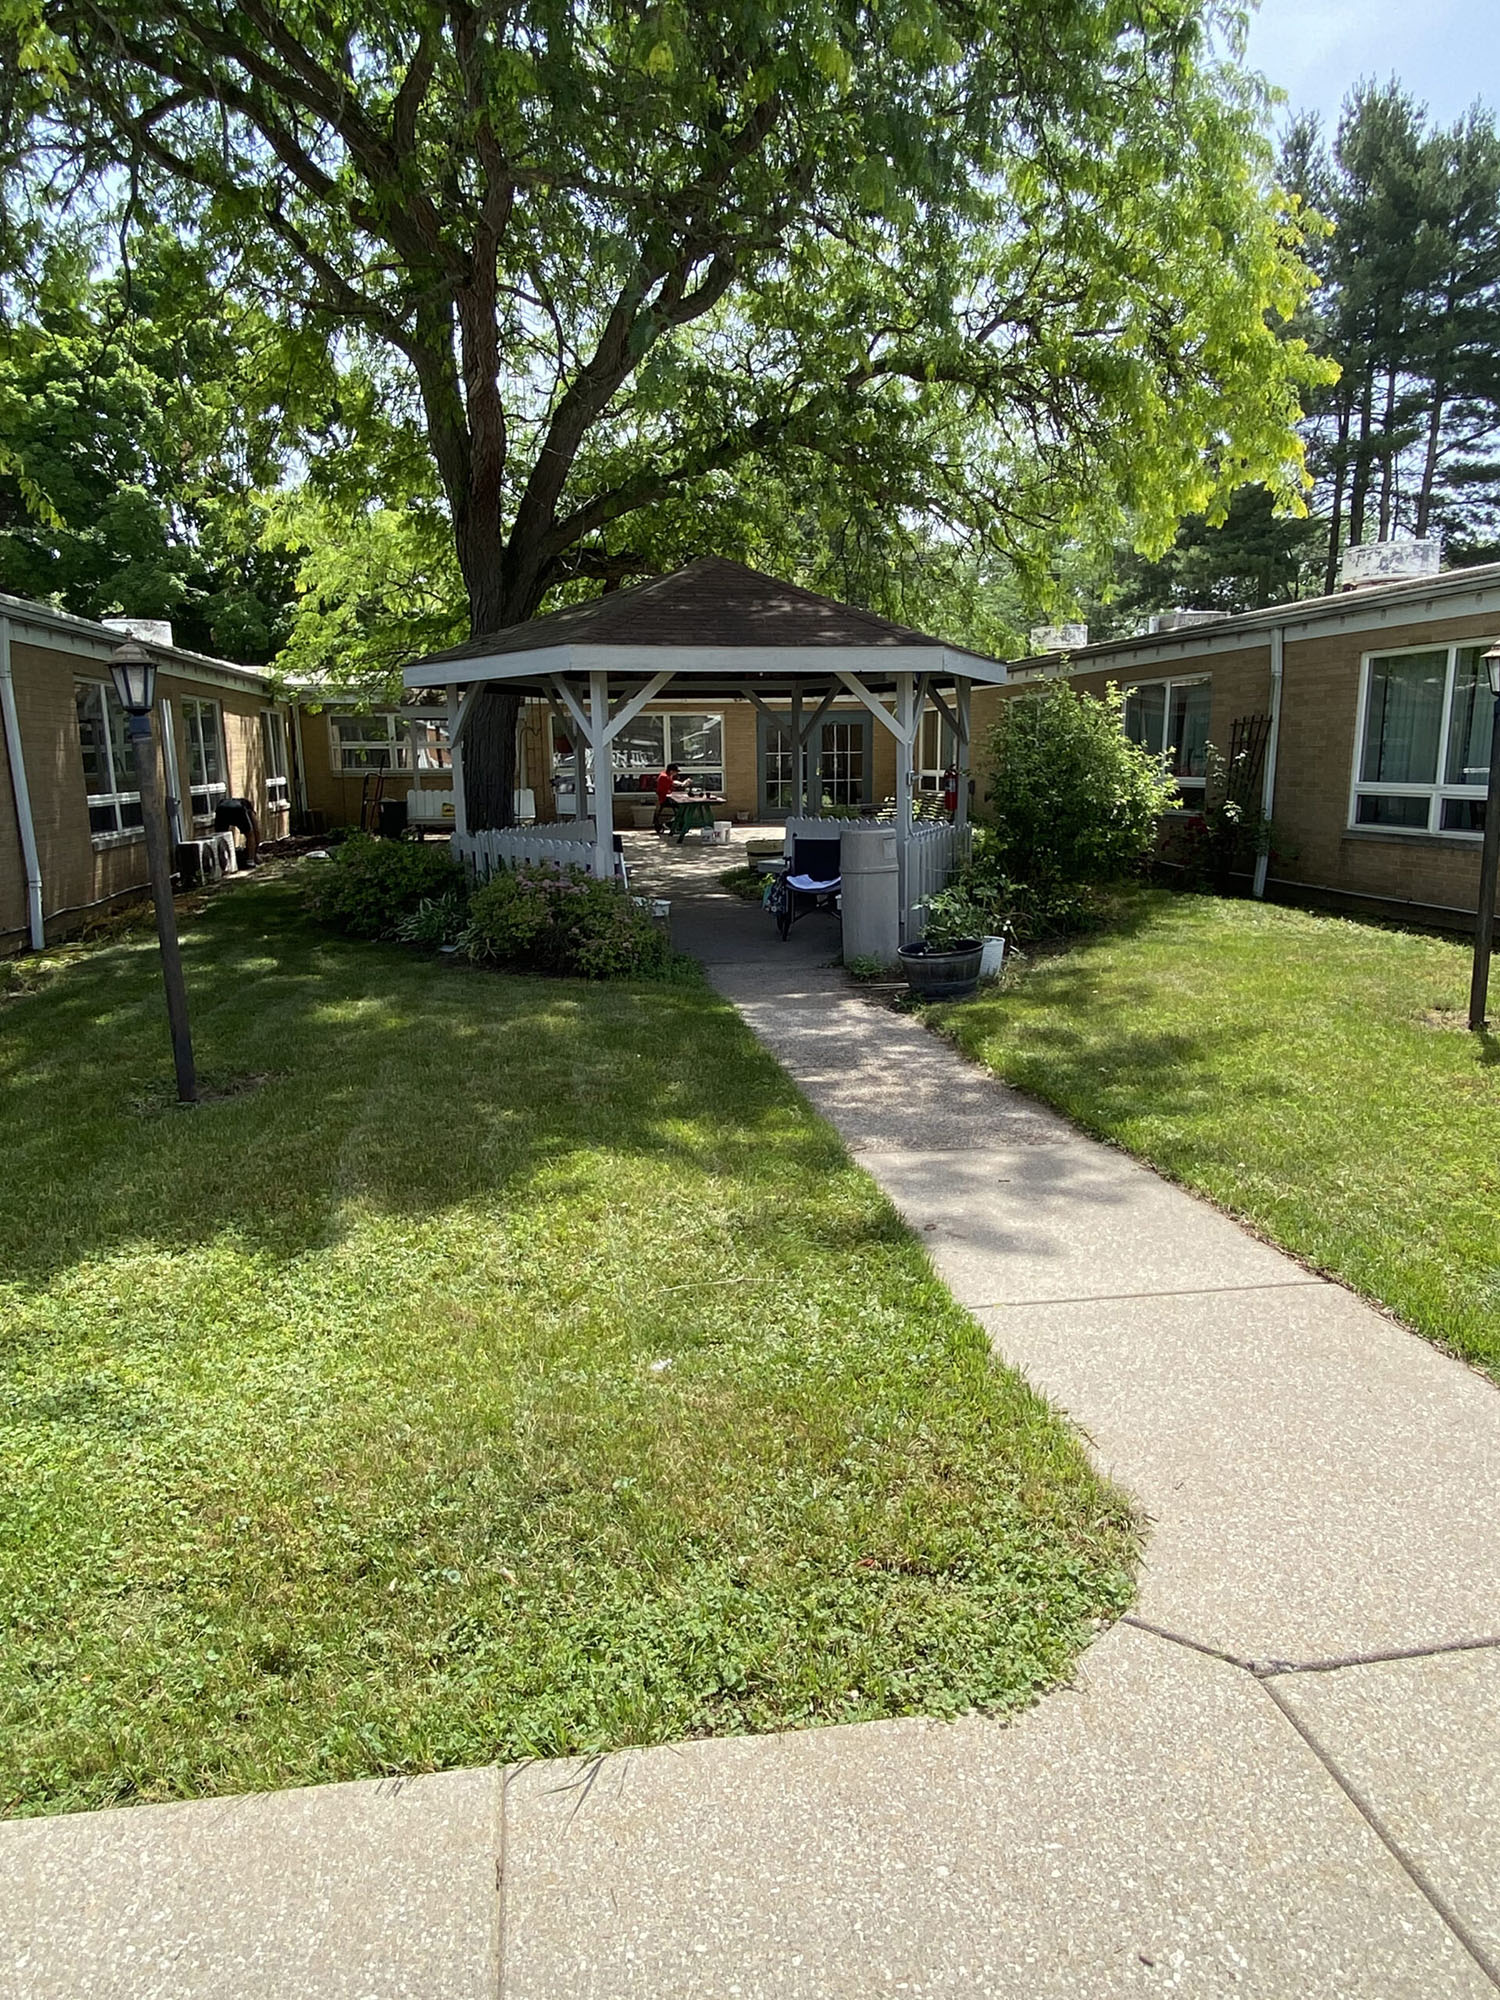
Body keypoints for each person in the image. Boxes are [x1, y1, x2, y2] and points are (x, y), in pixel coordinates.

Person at [653, 761, 682, 834]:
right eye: (676, 772)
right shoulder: (664, 777)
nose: (676, 774)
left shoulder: (668, 776)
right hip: (665, 799)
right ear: (671, 771)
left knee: (682, 808)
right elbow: (673, 784)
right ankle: (670, 824)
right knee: (683, 807)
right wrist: (683, 784)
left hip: (668, 797)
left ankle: (676, 823)